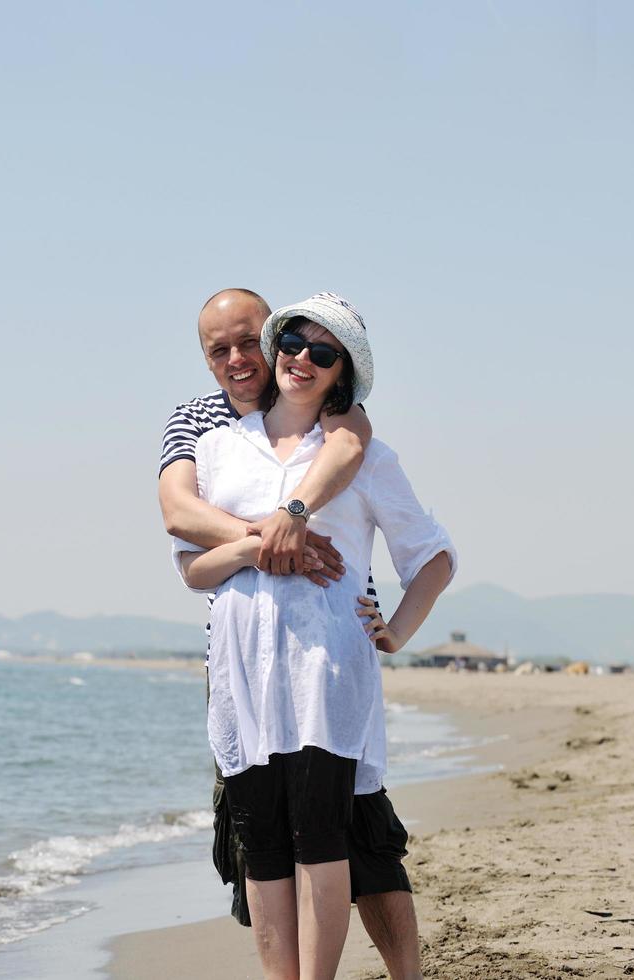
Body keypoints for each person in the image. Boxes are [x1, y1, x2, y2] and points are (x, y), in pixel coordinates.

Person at [169, 292, 456, 980]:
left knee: (323, 846)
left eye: (321, 352)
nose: (300, 358)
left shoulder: (361, 451)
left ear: (342, 371)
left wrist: (399, 630)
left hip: (325, 672)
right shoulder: (213, 443)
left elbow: (433, 555)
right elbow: (191, 565)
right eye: (292, 342)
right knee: (261, 853)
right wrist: (260, 542)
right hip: (240, 679)